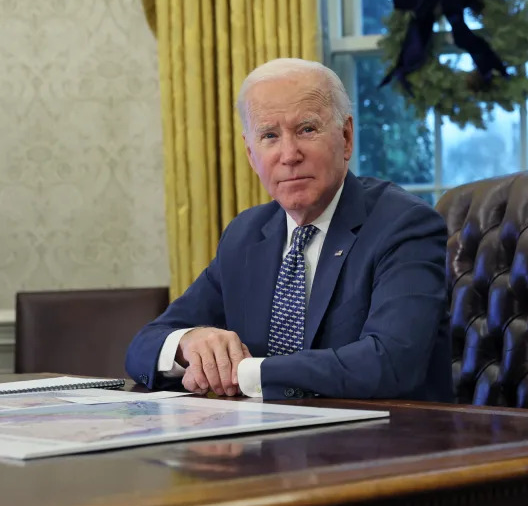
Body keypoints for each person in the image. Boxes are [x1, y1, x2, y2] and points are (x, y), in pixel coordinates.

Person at [126, 58, 453, 402]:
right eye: (270, 136)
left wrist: (244, 373)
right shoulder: (246, 235)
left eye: (306, 130)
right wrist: (188, 343)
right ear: (251, 155)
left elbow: (390, 363)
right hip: (264, 446)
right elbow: (142, 347)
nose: (289, 154)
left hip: (385, 444)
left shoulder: (404, 225)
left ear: (345, 137)